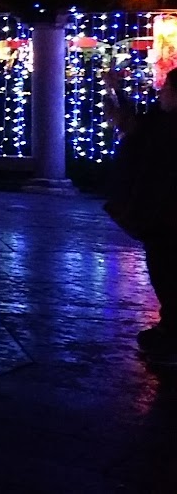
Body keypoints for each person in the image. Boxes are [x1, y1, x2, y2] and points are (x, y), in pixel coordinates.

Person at [103, 67, 177, 365]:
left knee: (169, 271)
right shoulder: (161, 119)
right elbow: (135, 125)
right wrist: (117, 91)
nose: (161, 93)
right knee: (163, 270)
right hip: (159, 213)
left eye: (167, 89)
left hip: (167, 213)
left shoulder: (168, 126)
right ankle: (169, 327)